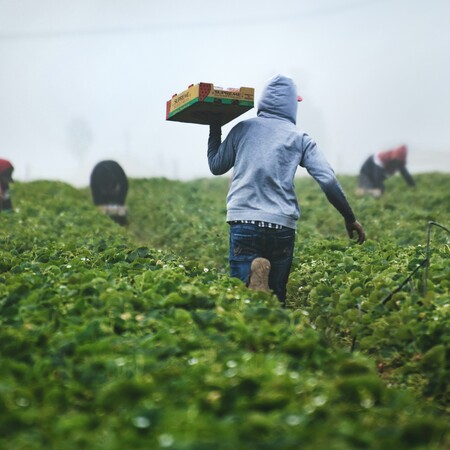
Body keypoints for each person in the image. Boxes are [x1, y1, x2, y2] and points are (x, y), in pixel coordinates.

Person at [206, 74, 365, 306]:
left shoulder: (242, 129)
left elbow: (216, 166)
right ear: (292, 105)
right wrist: (349, 217)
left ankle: (254, 276)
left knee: (240, 300)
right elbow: (327, 180)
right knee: (277, 300)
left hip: (244, 220)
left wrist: (214, 127)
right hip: (281, 224)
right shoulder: (300, 138)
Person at [90, 160, 129, 225]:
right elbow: (97, 203)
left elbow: (121, 202)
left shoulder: (121, 180)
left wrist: (119, 207)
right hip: (98, 178)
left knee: (120, 209)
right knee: (101, 208)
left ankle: (121, 221)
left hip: (117, 180)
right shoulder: (95, 182)